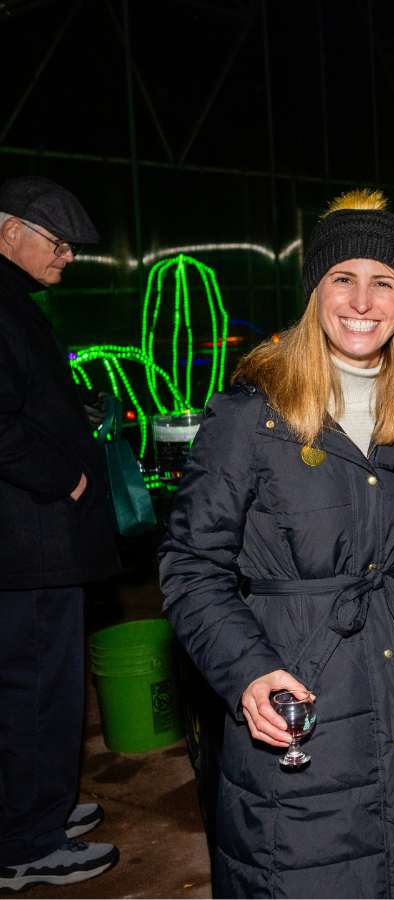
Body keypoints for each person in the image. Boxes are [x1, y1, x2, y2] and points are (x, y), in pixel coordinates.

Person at [159, 189, 394, 897]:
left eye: (383, 281)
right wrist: (247, 672)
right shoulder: (251, 417)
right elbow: (190, 565)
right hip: (301, 703)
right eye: (343, 278)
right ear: (314, 292)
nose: (363, 300)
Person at [0, 175, 121, 893]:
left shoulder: (16, 301)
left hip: (34, 540)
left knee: (41, 687)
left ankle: (37, 808)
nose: (68, 255)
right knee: (36, 690)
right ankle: (25, 844)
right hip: (28, 540)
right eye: (58, 241)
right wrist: (66, 478)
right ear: (9, 231)